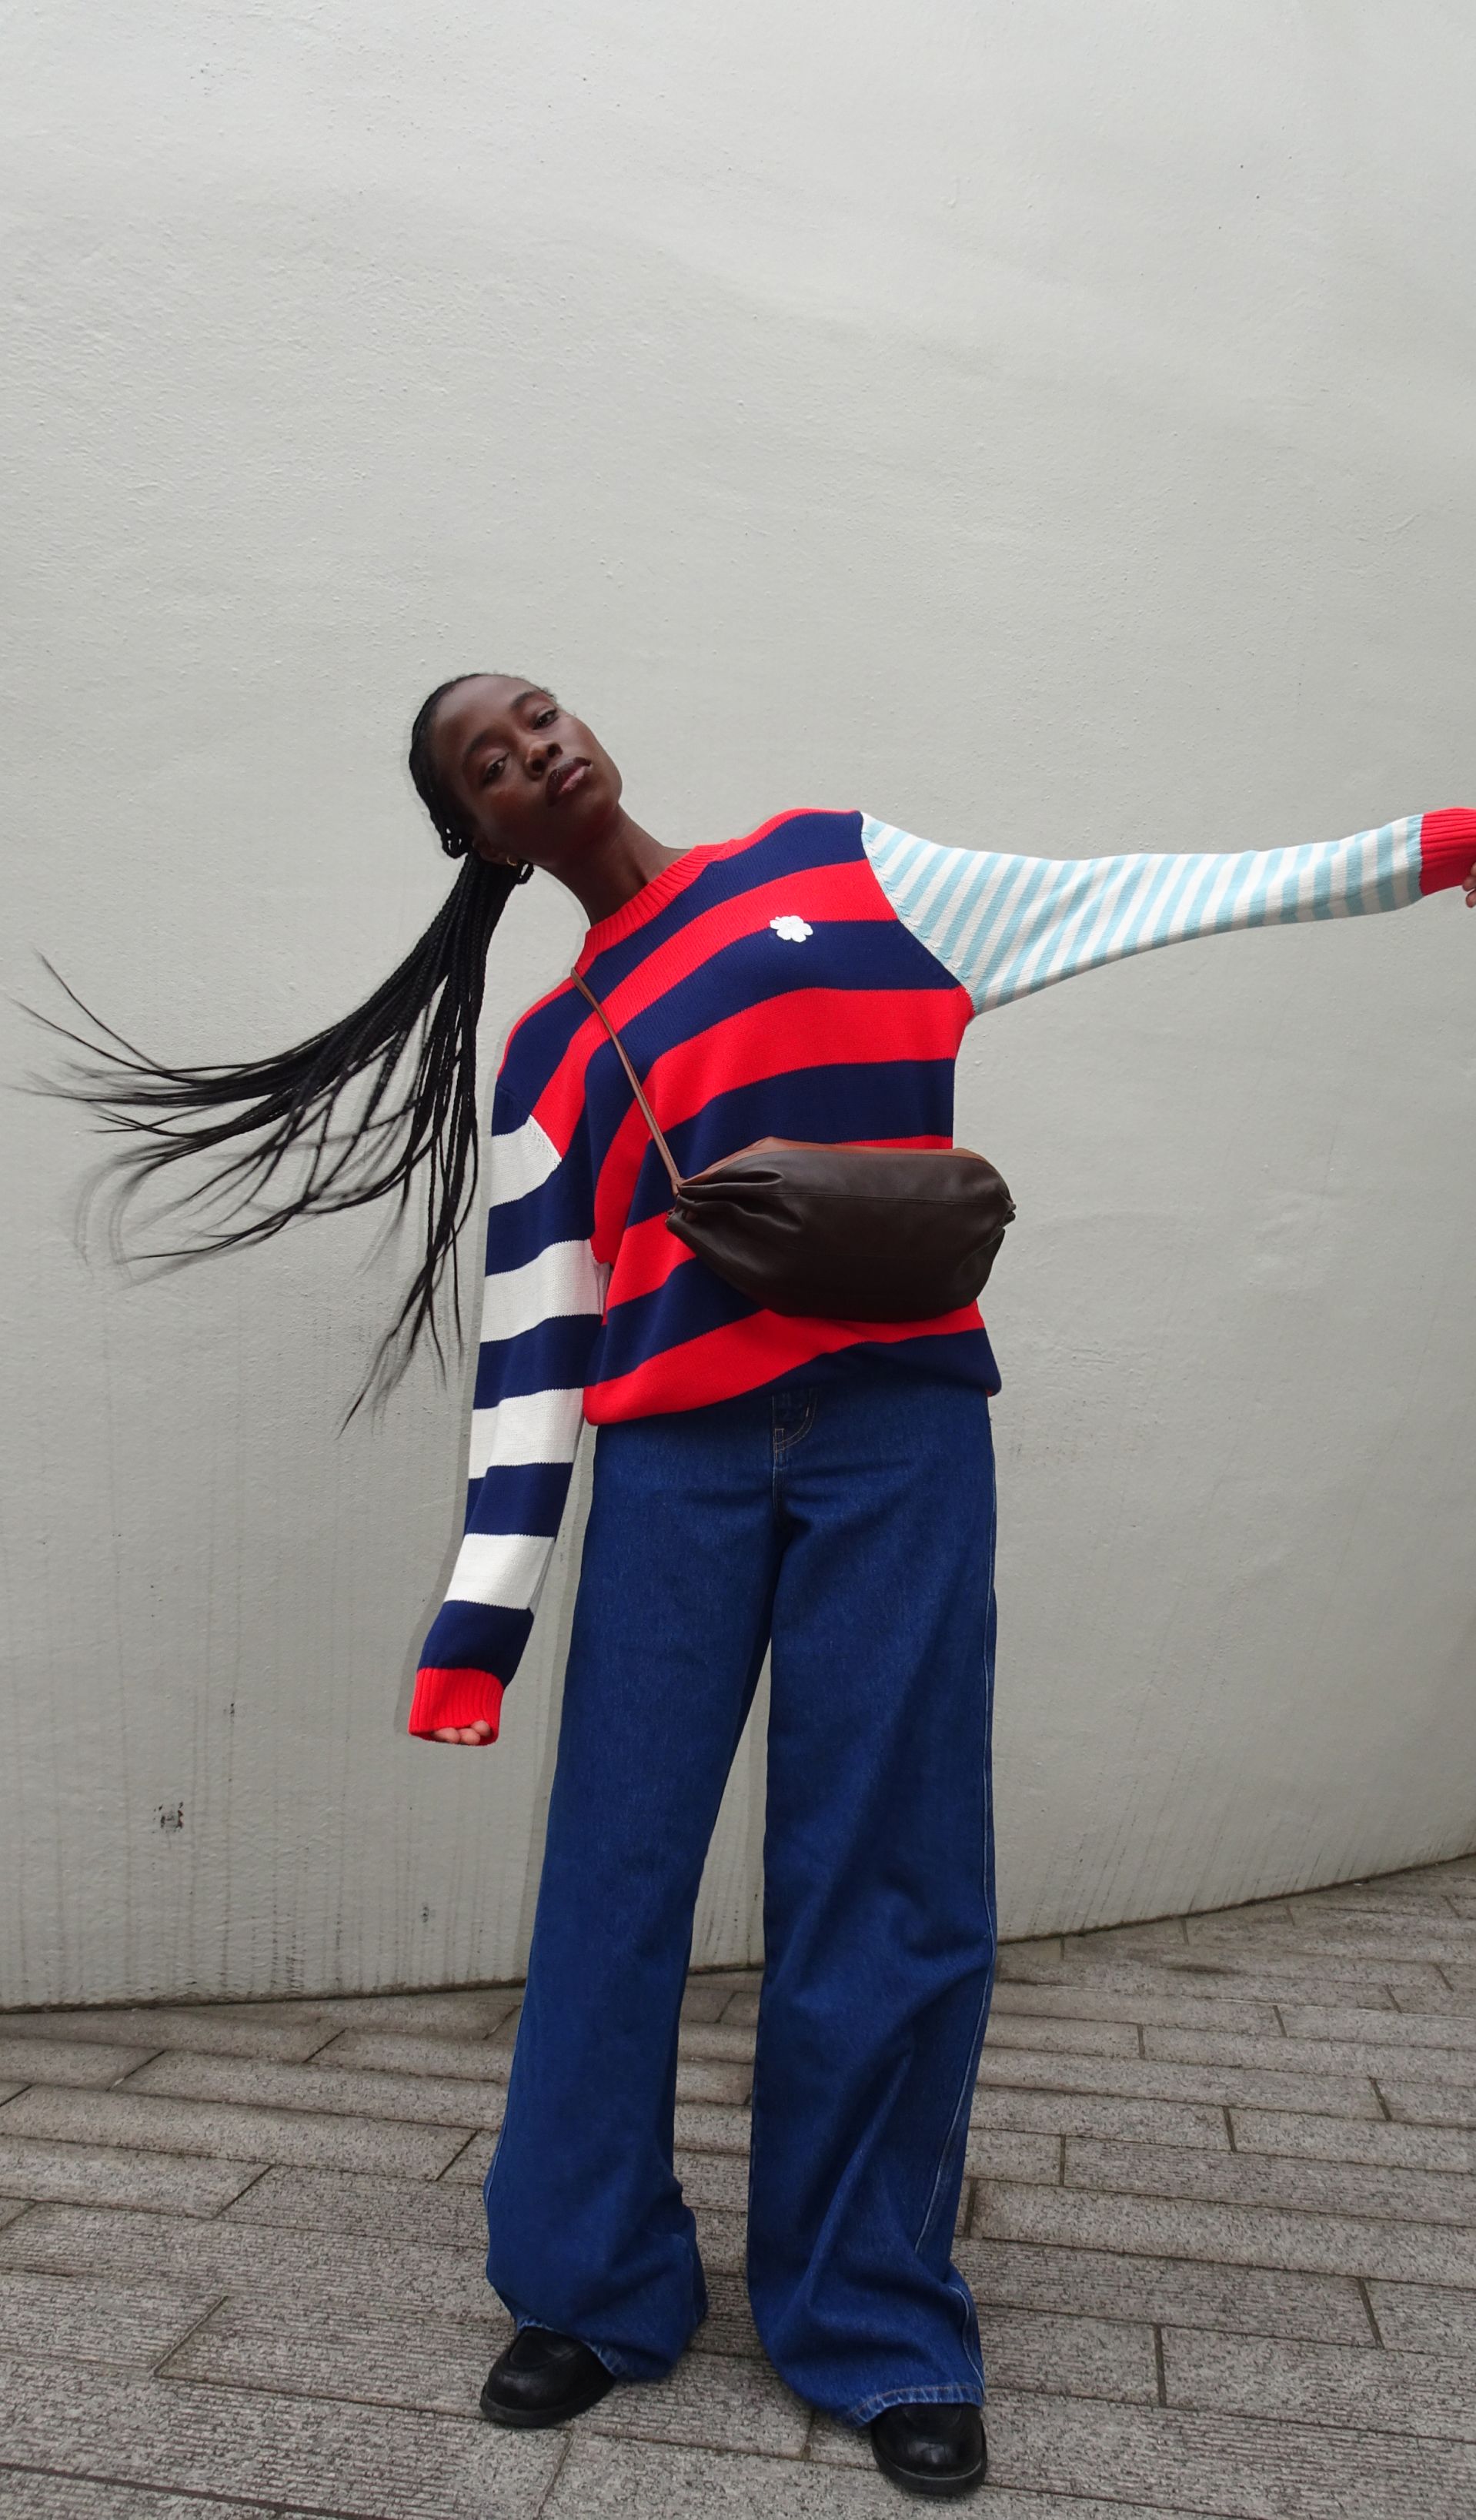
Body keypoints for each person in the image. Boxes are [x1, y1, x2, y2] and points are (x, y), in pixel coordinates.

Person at [58, 673, 1476, 2501]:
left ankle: (873, 2313)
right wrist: (474, 1620)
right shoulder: (549, 1050)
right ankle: (587, 2284)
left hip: (899, 1434)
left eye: (538, 717)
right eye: (486, 763)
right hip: (674, 1476)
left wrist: (1425, 850)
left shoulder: (842, 865)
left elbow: (1144, 886)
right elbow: (532, 1348)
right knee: (612, 1876)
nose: (532, 753)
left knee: (888, 1868)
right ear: (477, 834)